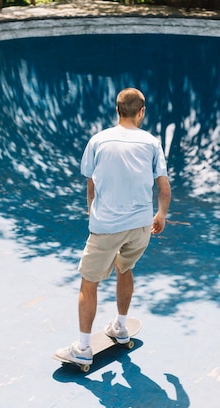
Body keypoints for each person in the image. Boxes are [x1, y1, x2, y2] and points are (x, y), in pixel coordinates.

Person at [55, 87, 171, 365]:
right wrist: (161, 215)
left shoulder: (99, 141)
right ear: (141, 111)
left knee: (89, 283)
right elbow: (164, 186)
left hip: (106, 226)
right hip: (142, 225)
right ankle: (120, 327)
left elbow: (91, 182)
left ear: (117, 110)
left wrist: (91, 212)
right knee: (125, 268)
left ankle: (83, 348)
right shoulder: (151, 143)